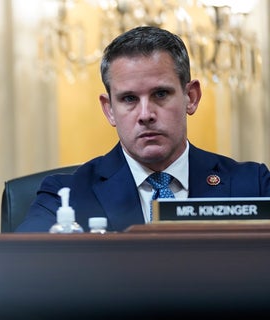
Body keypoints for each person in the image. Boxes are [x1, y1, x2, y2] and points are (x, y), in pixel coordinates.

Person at [15, 26, 270, 233]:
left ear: (191, 97)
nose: (146, 115)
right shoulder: (65, 196)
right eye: (129, 99)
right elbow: (23, 273)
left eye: (160, 94)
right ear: (109, 110)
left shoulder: (253, 185)